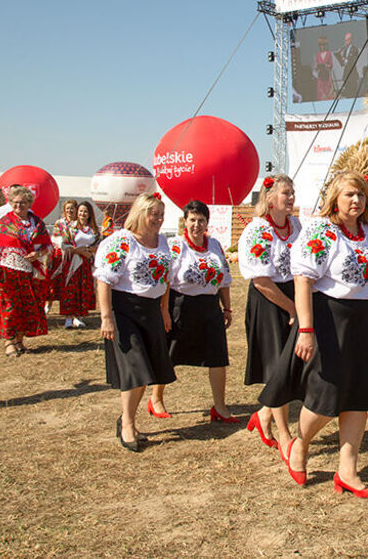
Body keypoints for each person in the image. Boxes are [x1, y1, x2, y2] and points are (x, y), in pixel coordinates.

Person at [259, 171, 368, 498]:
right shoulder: (322, 231)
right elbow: (303, 280)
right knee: (325, 399)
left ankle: (348, 470)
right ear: (335, 197)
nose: (356, 201)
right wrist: (306, 329)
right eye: (348, 195)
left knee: (358, 396)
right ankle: (300, 445)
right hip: (330, 320)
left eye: (360, 195)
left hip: (361, 323)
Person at [94, 192, 175, 451]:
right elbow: (104, 280)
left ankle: (128, 419)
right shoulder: (121, 241)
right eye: (154, 214)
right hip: (124, 310)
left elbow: (166, 280)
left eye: (162, 215)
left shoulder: (162, 241)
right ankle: (127, 424)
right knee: (135, 369)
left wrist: (164, 310)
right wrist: (106, 317)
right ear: (141, 214)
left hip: (151, 310)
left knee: (147, 370)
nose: (159, 219)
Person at [147, 200, 236, 423]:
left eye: (201, 220)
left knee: (218, 357)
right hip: (180, 305)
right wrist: (165, 311)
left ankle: (220, 406)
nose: (197, 225)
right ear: (185, 222)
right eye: (192, 220)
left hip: (210, 307)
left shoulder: (214, 245)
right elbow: (166, 281)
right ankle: (156, 399)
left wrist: (227, 308)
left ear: (207, 223)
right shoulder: (175, 245)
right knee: (170, 353)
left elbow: (224, 278)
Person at [238, 175, 300, 451]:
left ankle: (263, 415)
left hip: (293, 295)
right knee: (277, 366)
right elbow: (260, 280)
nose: (291, 197)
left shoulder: (296, 226)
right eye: (286, 192)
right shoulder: (257, 230)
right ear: (270, 198)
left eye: (292, 192)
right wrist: (291, 307)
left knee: (291, 364)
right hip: (269, 300)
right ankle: (285, 434)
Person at [0, 186, 52, 356]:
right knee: (10, 306)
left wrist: (38, 254)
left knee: (26, 307)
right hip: (8, 271)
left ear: (29, 203)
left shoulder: (36, 222)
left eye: (23, 203)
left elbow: (47, 245)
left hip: (30, 272)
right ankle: (9, 341)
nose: (18, 206)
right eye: (15, 203)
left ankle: (20, 340)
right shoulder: (4, 222)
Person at [59, 202, 100, 328]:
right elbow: (64, 245)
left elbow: (98, 245)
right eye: (81, 211)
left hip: (86, 263)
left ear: (89, 214)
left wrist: (87, 250)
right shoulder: (71, 228)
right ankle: (68, 318)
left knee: (83, 288)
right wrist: (78, 251)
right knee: (70, 288)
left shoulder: (94, 230)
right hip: (72, 263)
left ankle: (78, 316)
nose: (82, 214)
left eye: (85, 212)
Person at [48, 200, 78, 313]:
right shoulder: (59, 223)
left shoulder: (79, 224)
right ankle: (49, 303)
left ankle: (69, 307)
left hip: (74, 255)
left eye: (72, 208)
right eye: (67, 209)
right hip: (60, 256)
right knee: (55, 281)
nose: (70, 211)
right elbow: (54, 238)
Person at [314, 36, 336, 101]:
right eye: (320, 45)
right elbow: (316, 66)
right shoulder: (317, 54)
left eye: (323, 45)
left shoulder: (329, 53)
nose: (322, 47)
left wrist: (327, 66)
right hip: (320, 76)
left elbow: (331, 65)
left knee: (328, 92)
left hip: (327, 76)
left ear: (325, 45)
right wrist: (317, 67)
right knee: (321, 93)